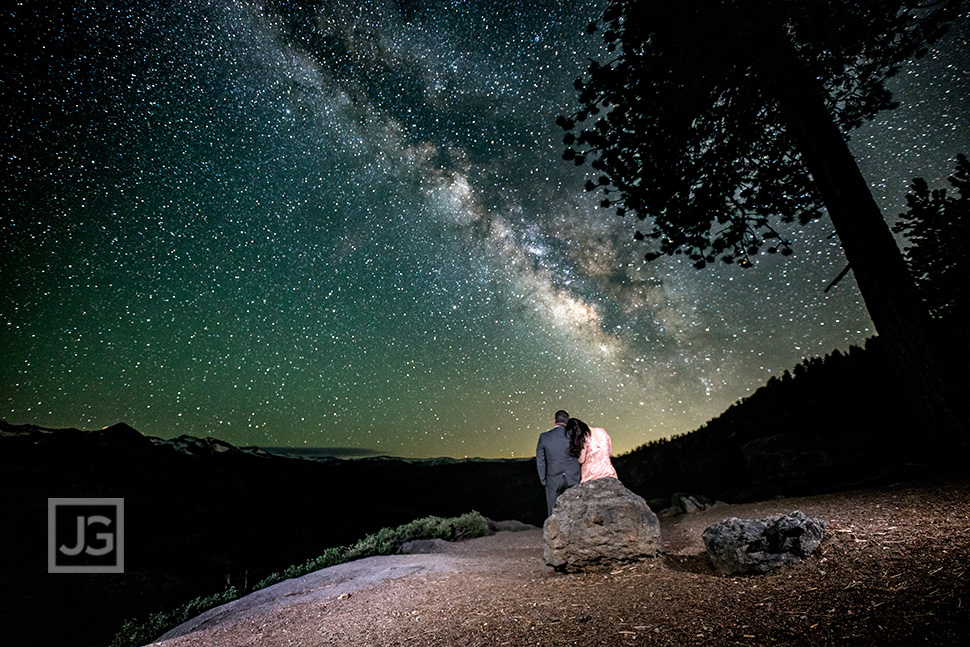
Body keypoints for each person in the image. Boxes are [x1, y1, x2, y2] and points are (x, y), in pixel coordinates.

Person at [536, 409, 582, 517]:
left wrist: (543, 480)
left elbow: (540, 461)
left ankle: (553, 534)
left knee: (553, 513)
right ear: (567, 421)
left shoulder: (544, 437)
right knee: (574, 510)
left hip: (553, 479)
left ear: (554, 421)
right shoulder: (574, 436)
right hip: (573, 477)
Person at [566, 418, 618, 482]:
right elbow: (609, 452)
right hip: (609, 472)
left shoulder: (584, 437)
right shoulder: (602, 430)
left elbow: (581, 460)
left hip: (592, 474)